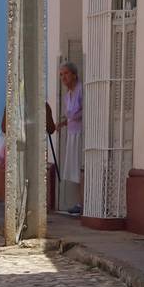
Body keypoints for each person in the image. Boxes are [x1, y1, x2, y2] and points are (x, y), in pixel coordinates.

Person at [56, 61, 84, 214]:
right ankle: (79, 203)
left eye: (66, 73)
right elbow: (71, 115)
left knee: (81, 167)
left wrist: (72, 117)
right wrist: (64, 123)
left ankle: (83, 203)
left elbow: (84, 111)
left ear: (74, 74)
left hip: (81, 134)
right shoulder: (68, 95)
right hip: (72, 134)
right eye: (61, 74)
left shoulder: (81, 90)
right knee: (74, 169)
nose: (63, 77)